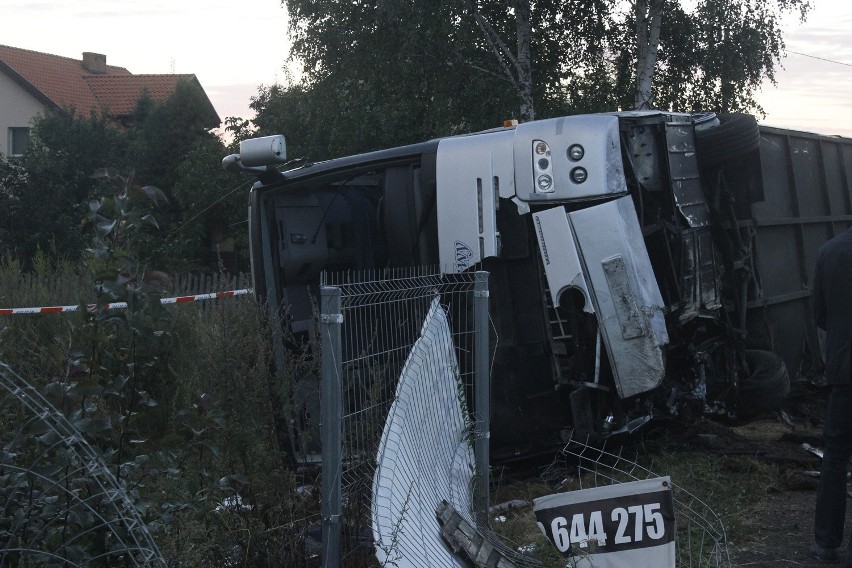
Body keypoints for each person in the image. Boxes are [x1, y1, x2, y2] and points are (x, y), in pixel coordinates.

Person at [812, 226, 852, 565]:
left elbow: (820, 315)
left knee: (836, 455)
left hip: (845, 372)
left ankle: (826, 543)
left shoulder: (830, 252)